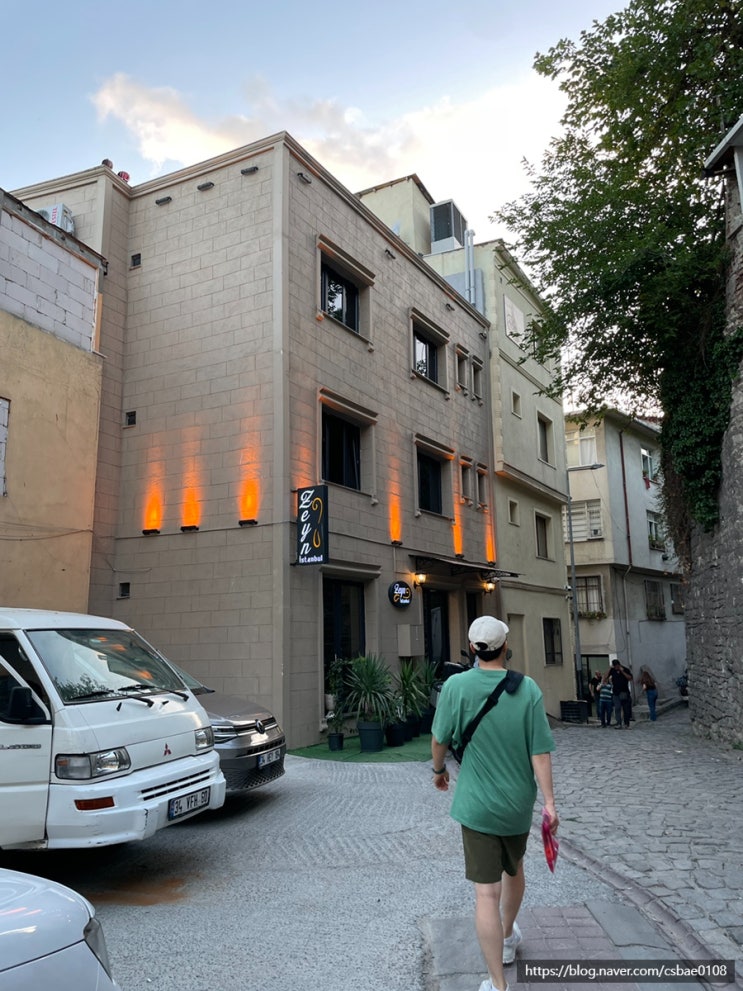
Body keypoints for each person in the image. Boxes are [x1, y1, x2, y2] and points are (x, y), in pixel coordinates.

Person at [431, 616, 558, 991]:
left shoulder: (456, 686)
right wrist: (550, 803)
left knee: (486, 893)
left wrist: (438, 771)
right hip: (517, 804)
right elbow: (540, 752)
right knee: (514, 868)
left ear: (473, 649)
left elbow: (439, 740)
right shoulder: (528, 689)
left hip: (477, 805)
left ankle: (498, 985)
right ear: (506, 647)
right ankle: (506, 937)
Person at [606, 659, 633, 728]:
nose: (616, 668)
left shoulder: (625, 669)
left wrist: (622, 671)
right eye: (614, 666)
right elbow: (605, 677)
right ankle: (619, 723)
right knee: (617, 708)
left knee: (625, 708)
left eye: (617, 666)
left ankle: (626, 723)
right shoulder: (612, 670)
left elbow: (630, 678)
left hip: (624, 691)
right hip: (616, 692)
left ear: (619, 665)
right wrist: (609, 669)